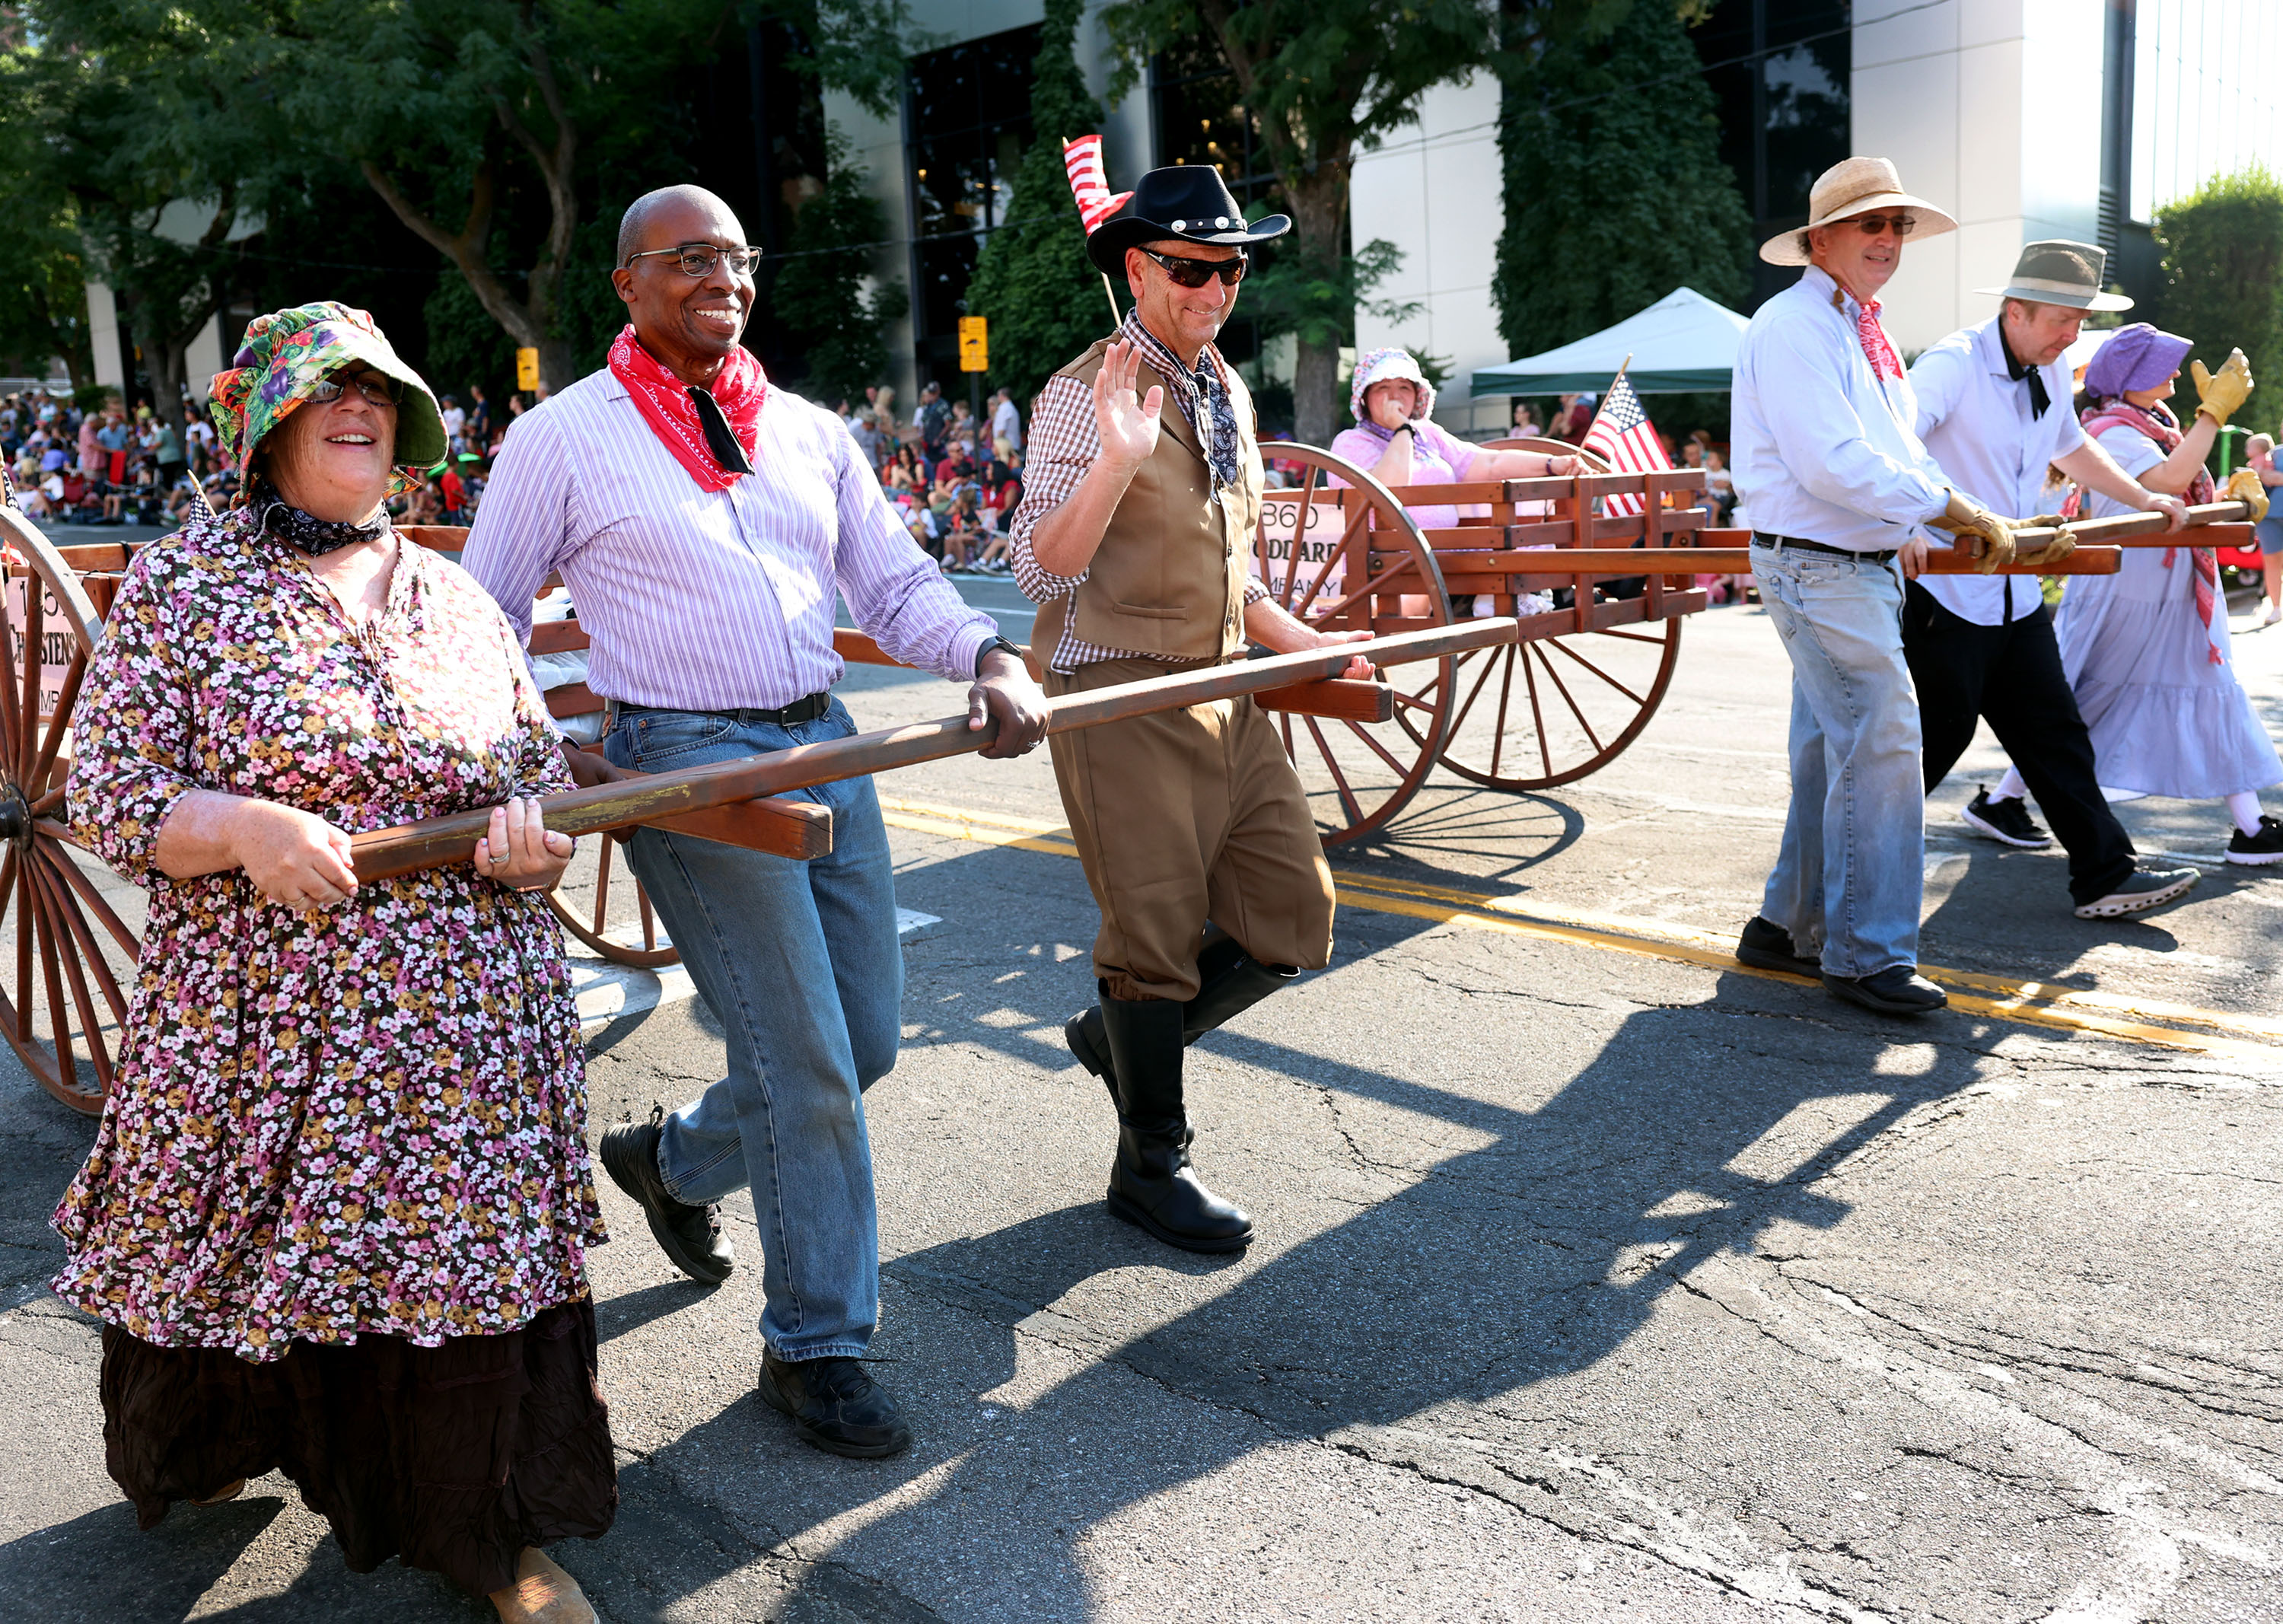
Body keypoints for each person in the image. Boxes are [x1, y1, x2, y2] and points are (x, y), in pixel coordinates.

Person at [465, 184, 1049, 1461]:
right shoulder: (561, 437)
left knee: (870, 1042)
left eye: (733, 258)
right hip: (685, 759)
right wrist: (538, 744)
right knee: (807, 1063)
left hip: (826, 735)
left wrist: (986, 656)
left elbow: (894, 582)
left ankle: (670, 1163)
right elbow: (480, 615)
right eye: (685, 259)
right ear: (626, 283)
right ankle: (819, 1342)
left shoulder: (810, 431)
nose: (718, 277)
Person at [53, 301, 613, 1624]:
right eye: (324, 392)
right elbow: (114, 792)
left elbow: (535, 768)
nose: (357, 407)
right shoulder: (189, 586)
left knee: (461, 1272)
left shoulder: (455, 593)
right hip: (265, 1017)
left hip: (466, 1024)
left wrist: (534, 839)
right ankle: (208, 1445)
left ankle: (487, 1536)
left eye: (378, 391)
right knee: (246, 1251)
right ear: (267, 425)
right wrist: (242, 824)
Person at [1013, 165, 1374, 1253]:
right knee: (1155, 945)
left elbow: (1239, 577)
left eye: (1232, 268)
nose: (1216, 290)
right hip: (1119, 693)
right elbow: (1041, 570)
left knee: (1293, 916)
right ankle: (1150, 1161)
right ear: (1137, 266)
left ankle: (1121, 1040)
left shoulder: (1225, 387)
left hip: (1224, 687)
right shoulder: (1085, 391)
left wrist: (1327, 651)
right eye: (1192, 269)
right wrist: (1120, 456)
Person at [1727, 157, 2036, 1017]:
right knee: (1885, 740)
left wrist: (1917, 523)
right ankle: (1865, 956)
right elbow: (1831, 461)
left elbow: (1894, 455)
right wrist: (1947, 507)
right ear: (1819, 240)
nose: (1890, 240)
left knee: (1836, 747)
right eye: (1872, 224)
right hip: (1818, 563)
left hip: (1842, 562)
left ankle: (1786, 928)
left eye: (1898, 225)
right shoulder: (1794, 326)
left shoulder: (1856, 328)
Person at [1906, 240, 2203, 919]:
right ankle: (1841, 872)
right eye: (2062, 320)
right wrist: (1905, 529)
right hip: (1945, 591)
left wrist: (2140, 496)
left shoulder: (2049, 366)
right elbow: (1898, 445)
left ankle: (2104, 873)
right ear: (2015, 311)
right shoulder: (1952, 364)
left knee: (2056, 732)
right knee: (1933, 743)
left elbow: (2072, 445)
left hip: (2013, 587)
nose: (2074, 336)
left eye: (2079, 321)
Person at [2055, 323, 2283, 862]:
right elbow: (2166, 482)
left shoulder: (2154, 423)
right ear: (2134, 377)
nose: (2179, 372)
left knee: (2211, 687)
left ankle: (2250, 826)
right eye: (2166, 365)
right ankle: (2002, 800)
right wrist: (2213, 415)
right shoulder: (2110, 429)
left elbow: (2180, 484)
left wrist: (2233, 494)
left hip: (2168, 587)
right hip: (2120, 589)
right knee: (2075, 699)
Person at [1329, 349, 1580, 530]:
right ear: (1364, 398)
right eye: (1383, 388)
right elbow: (1390, 489)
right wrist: (1402, 429)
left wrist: (1551, 464)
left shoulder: (1428, 433)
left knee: (1520, 539)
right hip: (1389, 558)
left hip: (1450, 548)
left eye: (1404, 387)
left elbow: (1490, 462)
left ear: (1417, 396)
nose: (1395, 395)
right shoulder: (1352, 442)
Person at [2248, 431, 2283, 628]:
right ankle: (2276, 607)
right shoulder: (2274, 453)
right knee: (2271, 561)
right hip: (2269, 516)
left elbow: (2270, 477)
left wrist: (2276, 477)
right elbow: (2260, 476)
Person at [991, 384, 1023, 460]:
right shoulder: (1011, 408)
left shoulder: (1004, 408)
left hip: (1005, 446)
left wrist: (997, 444)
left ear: (1002, 395)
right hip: (1013, 444)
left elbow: (1002, 429)